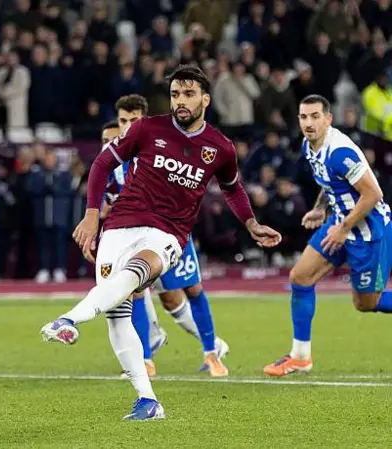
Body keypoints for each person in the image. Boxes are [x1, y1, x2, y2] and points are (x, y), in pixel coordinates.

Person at [40, 65, 281, 421]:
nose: (180, 102)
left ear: (205, 99)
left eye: (188, 95)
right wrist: (92, 214)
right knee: (117, 314)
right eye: (175, 95)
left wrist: (250, 223)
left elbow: (232, 188)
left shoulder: (220, 147)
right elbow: (102, 163)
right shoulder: (147, 128)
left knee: (139, 275)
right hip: (119, 226)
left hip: (167, 233)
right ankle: (147, 400)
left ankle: (68, 318)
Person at [264, 95, 392, 377]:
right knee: (300, 277)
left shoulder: (340, 152)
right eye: (303, 117)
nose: (308, 123)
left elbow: (373, 194)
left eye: (314, 116)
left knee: (365, 304)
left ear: (328, 119)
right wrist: (320, 209)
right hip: (338, 222)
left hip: (367, 232)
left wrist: (344, 228)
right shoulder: (309, 147)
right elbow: (329, 182)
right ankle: (300, 357)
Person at [110, 95, 230, 377]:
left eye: (134, 119)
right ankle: (146, 361)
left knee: (192, 290)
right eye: (123, 120)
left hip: (172, 232)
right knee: (136, 291)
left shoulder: (167, 146)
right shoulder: (116, 156)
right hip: (138, 235)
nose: (128, 125)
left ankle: (212, 352)